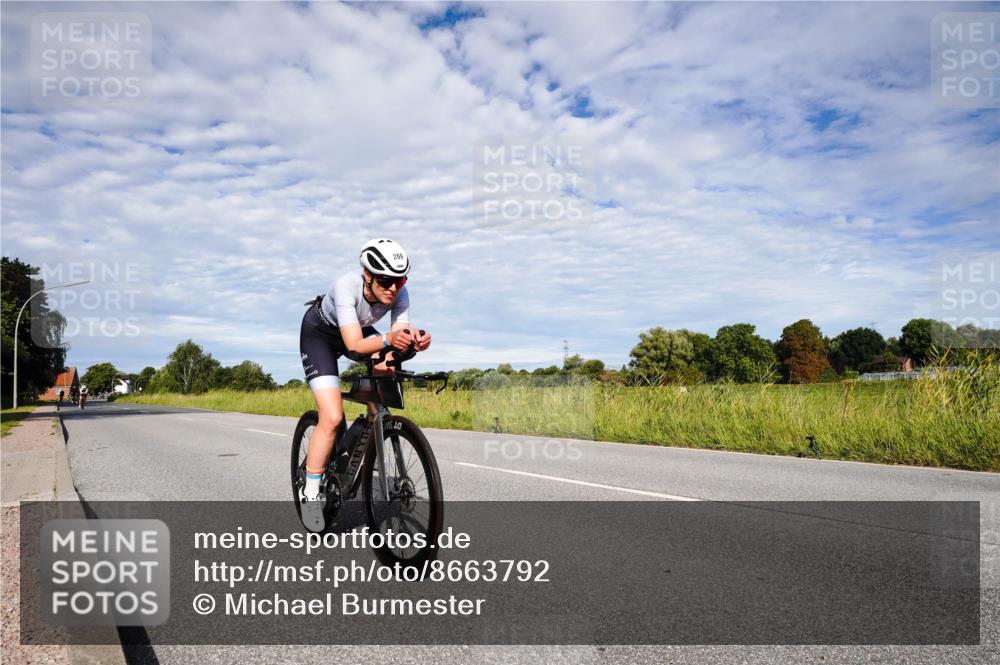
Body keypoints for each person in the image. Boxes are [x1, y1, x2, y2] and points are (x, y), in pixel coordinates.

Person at [297, 239, 431, 531]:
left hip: (357, 330)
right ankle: (309, 494)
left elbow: (398, 331)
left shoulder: (399, 292)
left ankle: (365, 430)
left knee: (386, 370)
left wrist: (413, 339)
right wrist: (387, 340)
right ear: (367, 275)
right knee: (331, 418)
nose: (394, 288)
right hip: (321, 335)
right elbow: (354, 345)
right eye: (386, 281)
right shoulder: (347, 286)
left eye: (400, 280)